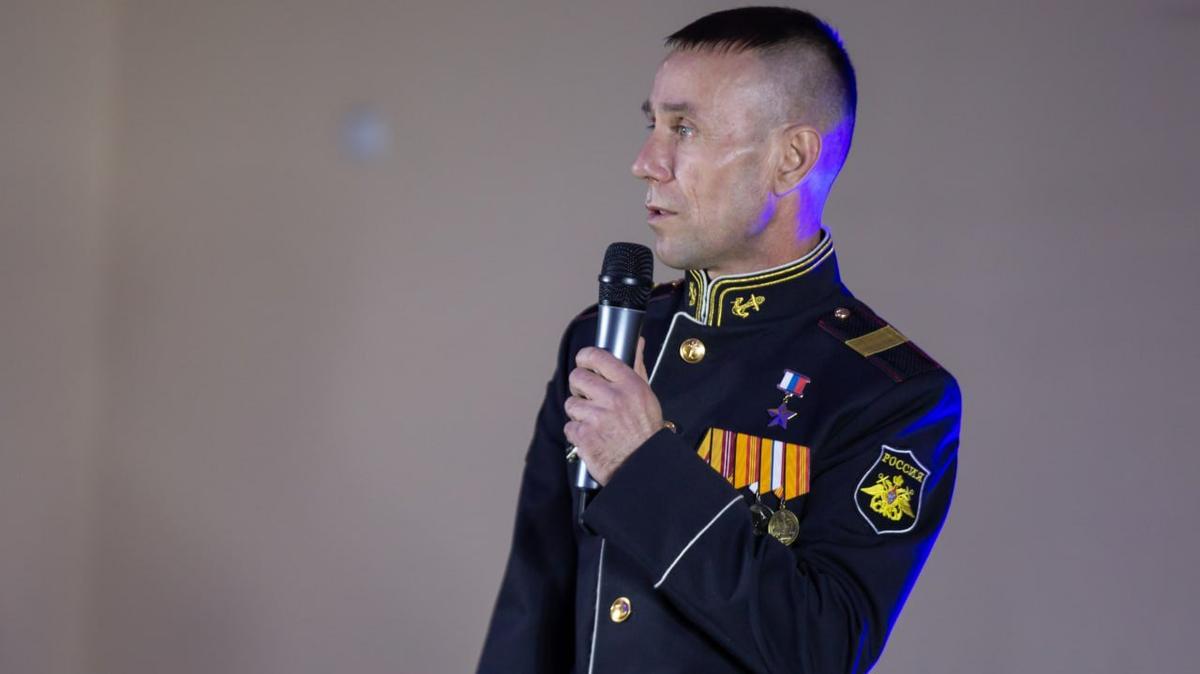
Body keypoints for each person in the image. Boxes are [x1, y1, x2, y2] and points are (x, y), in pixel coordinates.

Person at [477, 7, 961, 673]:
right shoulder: (604, 337)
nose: (646, 163)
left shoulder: (890, 394)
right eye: (652, 124)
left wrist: (643, 466)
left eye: (685, 129)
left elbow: (821, 649)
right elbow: (532, 610)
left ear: (790, 159)